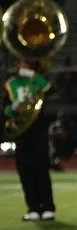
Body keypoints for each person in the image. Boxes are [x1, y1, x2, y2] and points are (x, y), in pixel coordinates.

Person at [5, 58, 57, 220]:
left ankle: (48, 207)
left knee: (41, 169)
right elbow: (5, 109)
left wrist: (33, 75)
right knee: (25, 171)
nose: (23, 65)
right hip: (21, 132)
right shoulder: (11, 83)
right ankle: (33, 207)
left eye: (27, 63)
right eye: (21, 63)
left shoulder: (38, 81)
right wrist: (13, 108)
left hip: (38, 130)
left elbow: (51, 90)